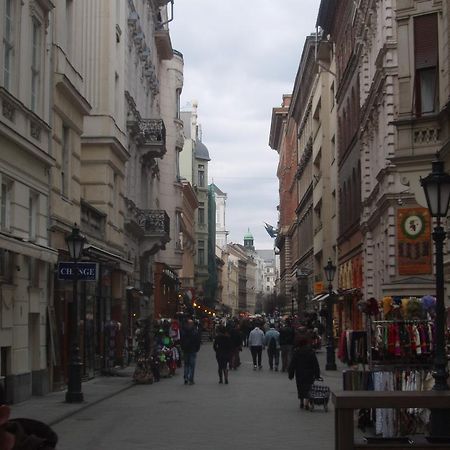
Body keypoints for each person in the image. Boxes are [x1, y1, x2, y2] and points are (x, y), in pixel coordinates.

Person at [288, 334, 321, 410]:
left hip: (299, 373)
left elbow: (293, 364)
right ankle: (307, 402)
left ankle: (301, 402)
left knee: (300, 387)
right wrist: (317, 374)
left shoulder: (297, 352)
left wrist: (291, 374)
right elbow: (315, 364)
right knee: (309, 387)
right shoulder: (310, 352)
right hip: (309, 373)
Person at [180, 319, 201, 385]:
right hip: (193, 349)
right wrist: (197, 348)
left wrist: (182, 348)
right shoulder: (195, 331)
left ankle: (186, 377)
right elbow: (197, 341)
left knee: (186, 364)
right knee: (192, 365)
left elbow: (181, 340)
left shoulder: (183, 331)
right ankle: (191, 379)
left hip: (186, 349)